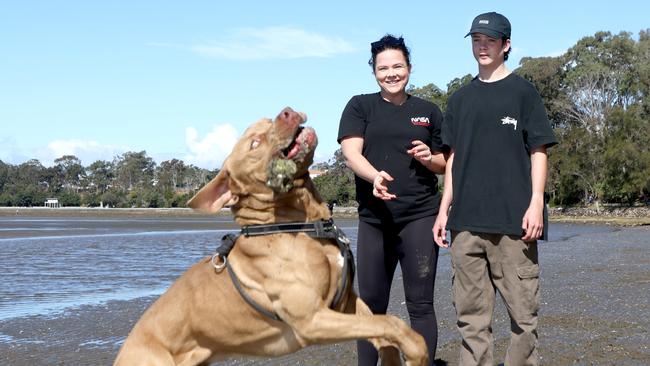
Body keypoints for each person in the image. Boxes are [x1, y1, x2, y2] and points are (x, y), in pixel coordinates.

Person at [432, 12, 558, 366]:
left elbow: (539, 151)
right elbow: (454, 160)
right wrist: (444, 211)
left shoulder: (524, 93)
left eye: (489, 40)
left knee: (524, 321)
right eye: (476, 40)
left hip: (514, 225)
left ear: (506, 45)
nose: (482, 46)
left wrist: (536, 203)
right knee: (471, 323)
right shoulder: (459, 100)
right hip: (466, 225)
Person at [338, 34, 446, 365]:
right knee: (370, 305)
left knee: (421, 304)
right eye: (383, 68)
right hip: (375, 219)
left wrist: (429, 157)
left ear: (409, 68)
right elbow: (350, 153)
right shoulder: (360, 106)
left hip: (419, 217)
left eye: (397, 66)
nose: (391, 73)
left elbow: (444, 164)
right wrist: (374, 176)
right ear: (374, 71)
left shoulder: (428, 111)